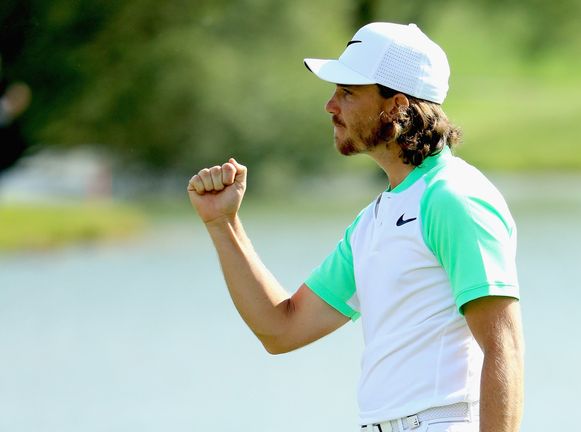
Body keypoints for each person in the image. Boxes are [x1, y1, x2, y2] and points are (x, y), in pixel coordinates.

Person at [188, 22, 524, 432]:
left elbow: (503, 347)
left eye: (348, 93)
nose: (331, 106)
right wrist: (224, 224)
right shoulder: (376, 219)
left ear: (397, 107)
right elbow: (283, 329)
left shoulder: (454, 197)